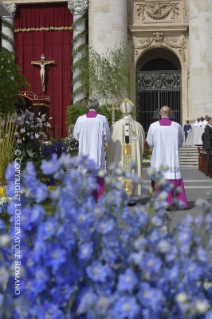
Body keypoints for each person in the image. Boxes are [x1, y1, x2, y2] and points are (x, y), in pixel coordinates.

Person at [146, 106, 188, 209]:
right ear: (170, 114)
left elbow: (150, 142)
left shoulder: (153, 126)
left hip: (158, 158)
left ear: (160, 113)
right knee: (172, 177)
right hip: (171, 158)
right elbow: (179, 142)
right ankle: (174, 202)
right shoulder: (177, 126)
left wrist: (156, 149)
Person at [106, 98, 145, 204]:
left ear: (122, 112)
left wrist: (110, 156)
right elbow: (141, 143)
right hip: (132, 158)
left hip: (120, 159)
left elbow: (111, 144)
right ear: (132, 112)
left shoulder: (116, 126)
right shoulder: (138, 126)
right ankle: (132, 198)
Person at [73, 98, 111, 200]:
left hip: (84, 154)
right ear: (98, 106)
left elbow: (76, 135)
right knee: (98, 181)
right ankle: (98, 202)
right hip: (97, 155)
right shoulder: (102, 119)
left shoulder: (80, 119)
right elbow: (107, 137)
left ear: (87, 106)